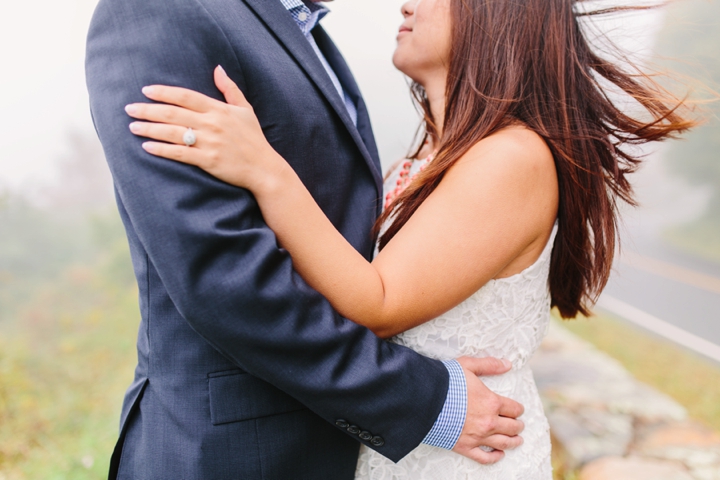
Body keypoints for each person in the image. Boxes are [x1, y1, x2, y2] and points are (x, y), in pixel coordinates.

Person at [124, 0, 696, 478]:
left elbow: (378, 303)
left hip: (465, 457)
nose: (406, 3)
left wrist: (265, 170)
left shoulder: (512, 157)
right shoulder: (429, 155)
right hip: (407, 447)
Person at [86, 0, 529, 478]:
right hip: (234, 452)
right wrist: (424, 400)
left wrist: (266, 170)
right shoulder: (161, 11)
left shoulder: (309, 34)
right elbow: (222, 274)